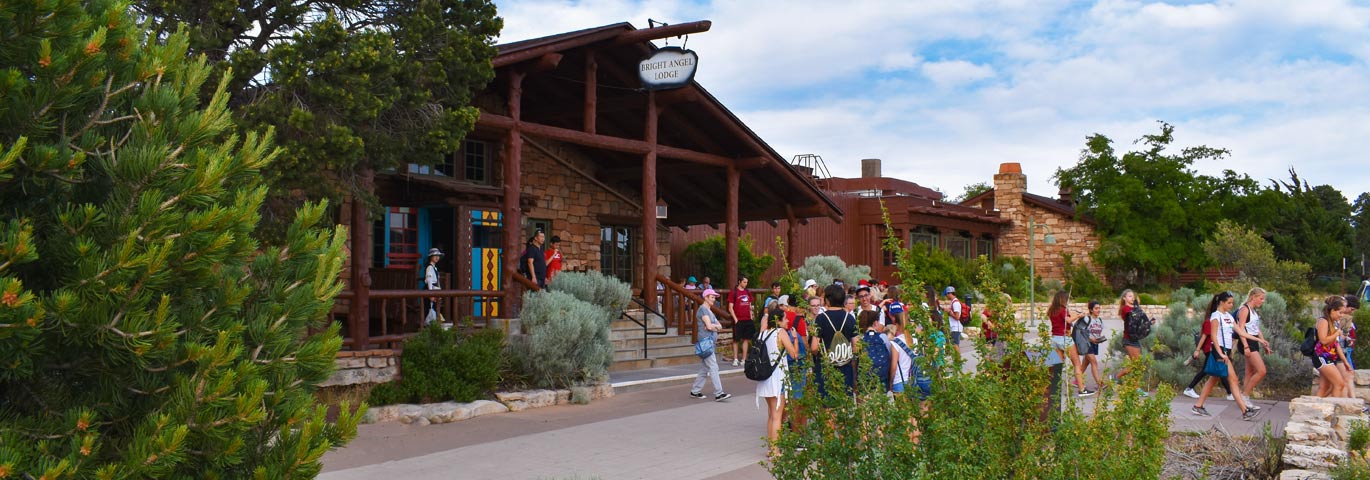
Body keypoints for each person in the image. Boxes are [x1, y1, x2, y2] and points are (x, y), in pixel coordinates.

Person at [1191, 292, 1259, 421]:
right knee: (1233, 380)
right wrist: (1221, 353)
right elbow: (1214, 337)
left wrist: (1258, 340)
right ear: (1221, 302)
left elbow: (1240, 331)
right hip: (1220, 351)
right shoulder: (1216, 316)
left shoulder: (1228, 316)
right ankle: (1245, 410)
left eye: (1232, 303)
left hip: (1225, 351)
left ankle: (1198, 405)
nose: (1231, 305)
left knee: (1214, 379)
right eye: (1229, 303)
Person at [757, 308, 800, 457]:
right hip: (778, 378)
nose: (788, 321)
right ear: (779, 320)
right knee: (777, 416)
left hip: (765, 378)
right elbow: (794, 355)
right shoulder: (780, 333)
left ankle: (771, 448)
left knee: (771, 415)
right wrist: (795, 338)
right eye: (785, 318)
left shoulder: (764, 333)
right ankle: (775, 451)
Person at [812, 284, 859, 400]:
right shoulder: (850, 318)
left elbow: (814, 347)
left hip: (826, 368)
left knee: (827, 405)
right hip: (845, 366)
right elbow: (857, 346)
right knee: (844, 404)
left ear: (827, 300)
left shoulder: (821, 319)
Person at [1181, 305, 1234, 400]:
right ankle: (1230, 393)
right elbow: (1204, 336)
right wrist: (1197, 350)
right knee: (1215, 369)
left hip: (1213, 348)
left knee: (1215, 370)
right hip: (1210, 349)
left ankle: (1190, 388)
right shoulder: (1211, 321)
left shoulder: (1214, 320)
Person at [690, 288, 732, 402]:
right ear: (706, 297)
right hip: (705, 342)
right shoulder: (703, 310)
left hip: (709, 342)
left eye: (714, 297)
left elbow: (719, 326)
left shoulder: (710, 311)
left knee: (705, 367)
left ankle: (695, 390)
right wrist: (713, 326)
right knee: (713, 366)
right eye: (712, 297)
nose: (714, 299)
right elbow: (709, 326)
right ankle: (719, 393)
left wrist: (714, 326)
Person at [1048, 291, 1092, 396]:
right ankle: (1082, 389)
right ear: (1063, 299)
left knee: (1057, 365)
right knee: (1077, 364)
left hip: (1054, 339)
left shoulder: (1052, 310)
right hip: (1065, 338)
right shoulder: (1063, 310)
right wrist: (1078, 316)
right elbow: (1067, 320)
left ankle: (1053, 389)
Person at [1234, 288, 1271, 405]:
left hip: (1253, 341)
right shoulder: (1244, 309)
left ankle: (1245, 399)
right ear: (1253, 297)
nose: (1262, 301)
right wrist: (1245, 346)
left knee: (1249, 372)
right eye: (1261, 298)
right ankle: (1244, 396)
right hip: (1247, 342)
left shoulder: (1253, 311)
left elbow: (1256, 328)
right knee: (1261, 371)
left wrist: (1263, 341)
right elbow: (1241, 329)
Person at [1114, 289, 1153, 391]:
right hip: (1129, 340)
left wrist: (1148, 323)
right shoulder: (1126, 309)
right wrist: (1137, 306)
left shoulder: (1134, 309)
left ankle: (1117, 379)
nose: (1132, 298)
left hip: (1134, 339)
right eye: (1129, 296)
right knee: (1137, 364)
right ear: (1124, 298)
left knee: (1136, 364)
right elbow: (1134, 316)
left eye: (1133, 296)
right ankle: (1133, 386)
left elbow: (1139, 321)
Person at [1314, 295, 1352, 398]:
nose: (1341, 315)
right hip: (1321, 356)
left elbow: (1336, 345)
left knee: (1325, 386)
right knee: (1339, 384)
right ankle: (1334, 409)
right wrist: (1336, 334)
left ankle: (1314, 406)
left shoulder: (1334, 323)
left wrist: (1345, 362)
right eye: (1340, 312)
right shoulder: (1324, 321)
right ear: (1332, 310)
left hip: (1329, 356)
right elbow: (1323, 340)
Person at [860, 310, 892, 393]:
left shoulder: (861, 338)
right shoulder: (882, 337)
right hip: (882, 375)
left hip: (866, 376)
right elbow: (889, 353)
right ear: (875, 322)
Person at [728, 277, 756, 367]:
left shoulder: (747, 292)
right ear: (739, 281)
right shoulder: (734, 292)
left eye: (747, 282)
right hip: (738, 320)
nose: (745, 284)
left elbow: (750, 304)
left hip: (747, 319)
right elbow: (730, 307)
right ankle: (735, 358)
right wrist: (735, 319)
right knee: (736, 340)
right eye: (744, 282)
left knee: (746, 339)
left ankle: (744, 359)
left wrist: (751, 315)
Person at [1081, 300, 1106, 389]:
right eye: (1096, 308)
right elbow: (1081, 331)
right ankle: (1099, 384)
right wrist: (1090, 338)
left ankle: (1077, 380)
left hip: (1095, 344)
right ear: (1091, 310)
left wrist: (1100, 339)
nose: (1098, 310)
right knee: (1094, 363)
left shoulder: (1100, 320)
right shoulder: (1087, 319)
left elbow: (1098, 332)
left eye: (1099, 308)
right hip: (1086, 343)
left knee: (1085, 363)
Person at [421, 247, 444, 324]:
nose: (437, 257)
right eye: (435, 255)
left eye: (438, 256)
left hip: (434, 289)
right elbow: (429, 281)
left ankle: (434, 324)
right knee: (429, 308)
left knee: (435, 307)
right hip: (430, 289)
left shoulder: (434, 268)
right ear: (431, 257)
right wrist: (430, 294)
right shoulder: (429, 268)